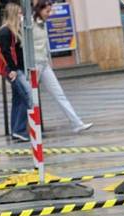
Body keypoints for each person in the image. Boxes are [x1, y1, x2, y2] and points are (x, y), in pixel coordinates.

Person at [32, 0, 92, 133]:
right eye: (47, 11)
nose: (49, 14)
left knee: (59, 94)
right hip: (34, 65)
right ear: (39, 10)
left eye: (50, 11)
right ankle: (26, 128)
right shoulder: (30, 24)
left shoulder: (43, 24)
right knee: (29, 97)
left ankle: (77, 123)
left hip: (44, 64)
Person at [0, 2, 31, 142]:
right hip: (14, 70)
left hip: (18, 69)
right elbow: (5, 52)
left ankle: (16, 130)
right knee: (27, 97)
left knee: (17, 100)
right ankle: (20, 129)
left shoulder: (15, 30)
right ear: (12, 14)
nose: (21, 15)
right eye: (18, 13)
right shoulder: (5, 31)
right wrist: (12, 69)